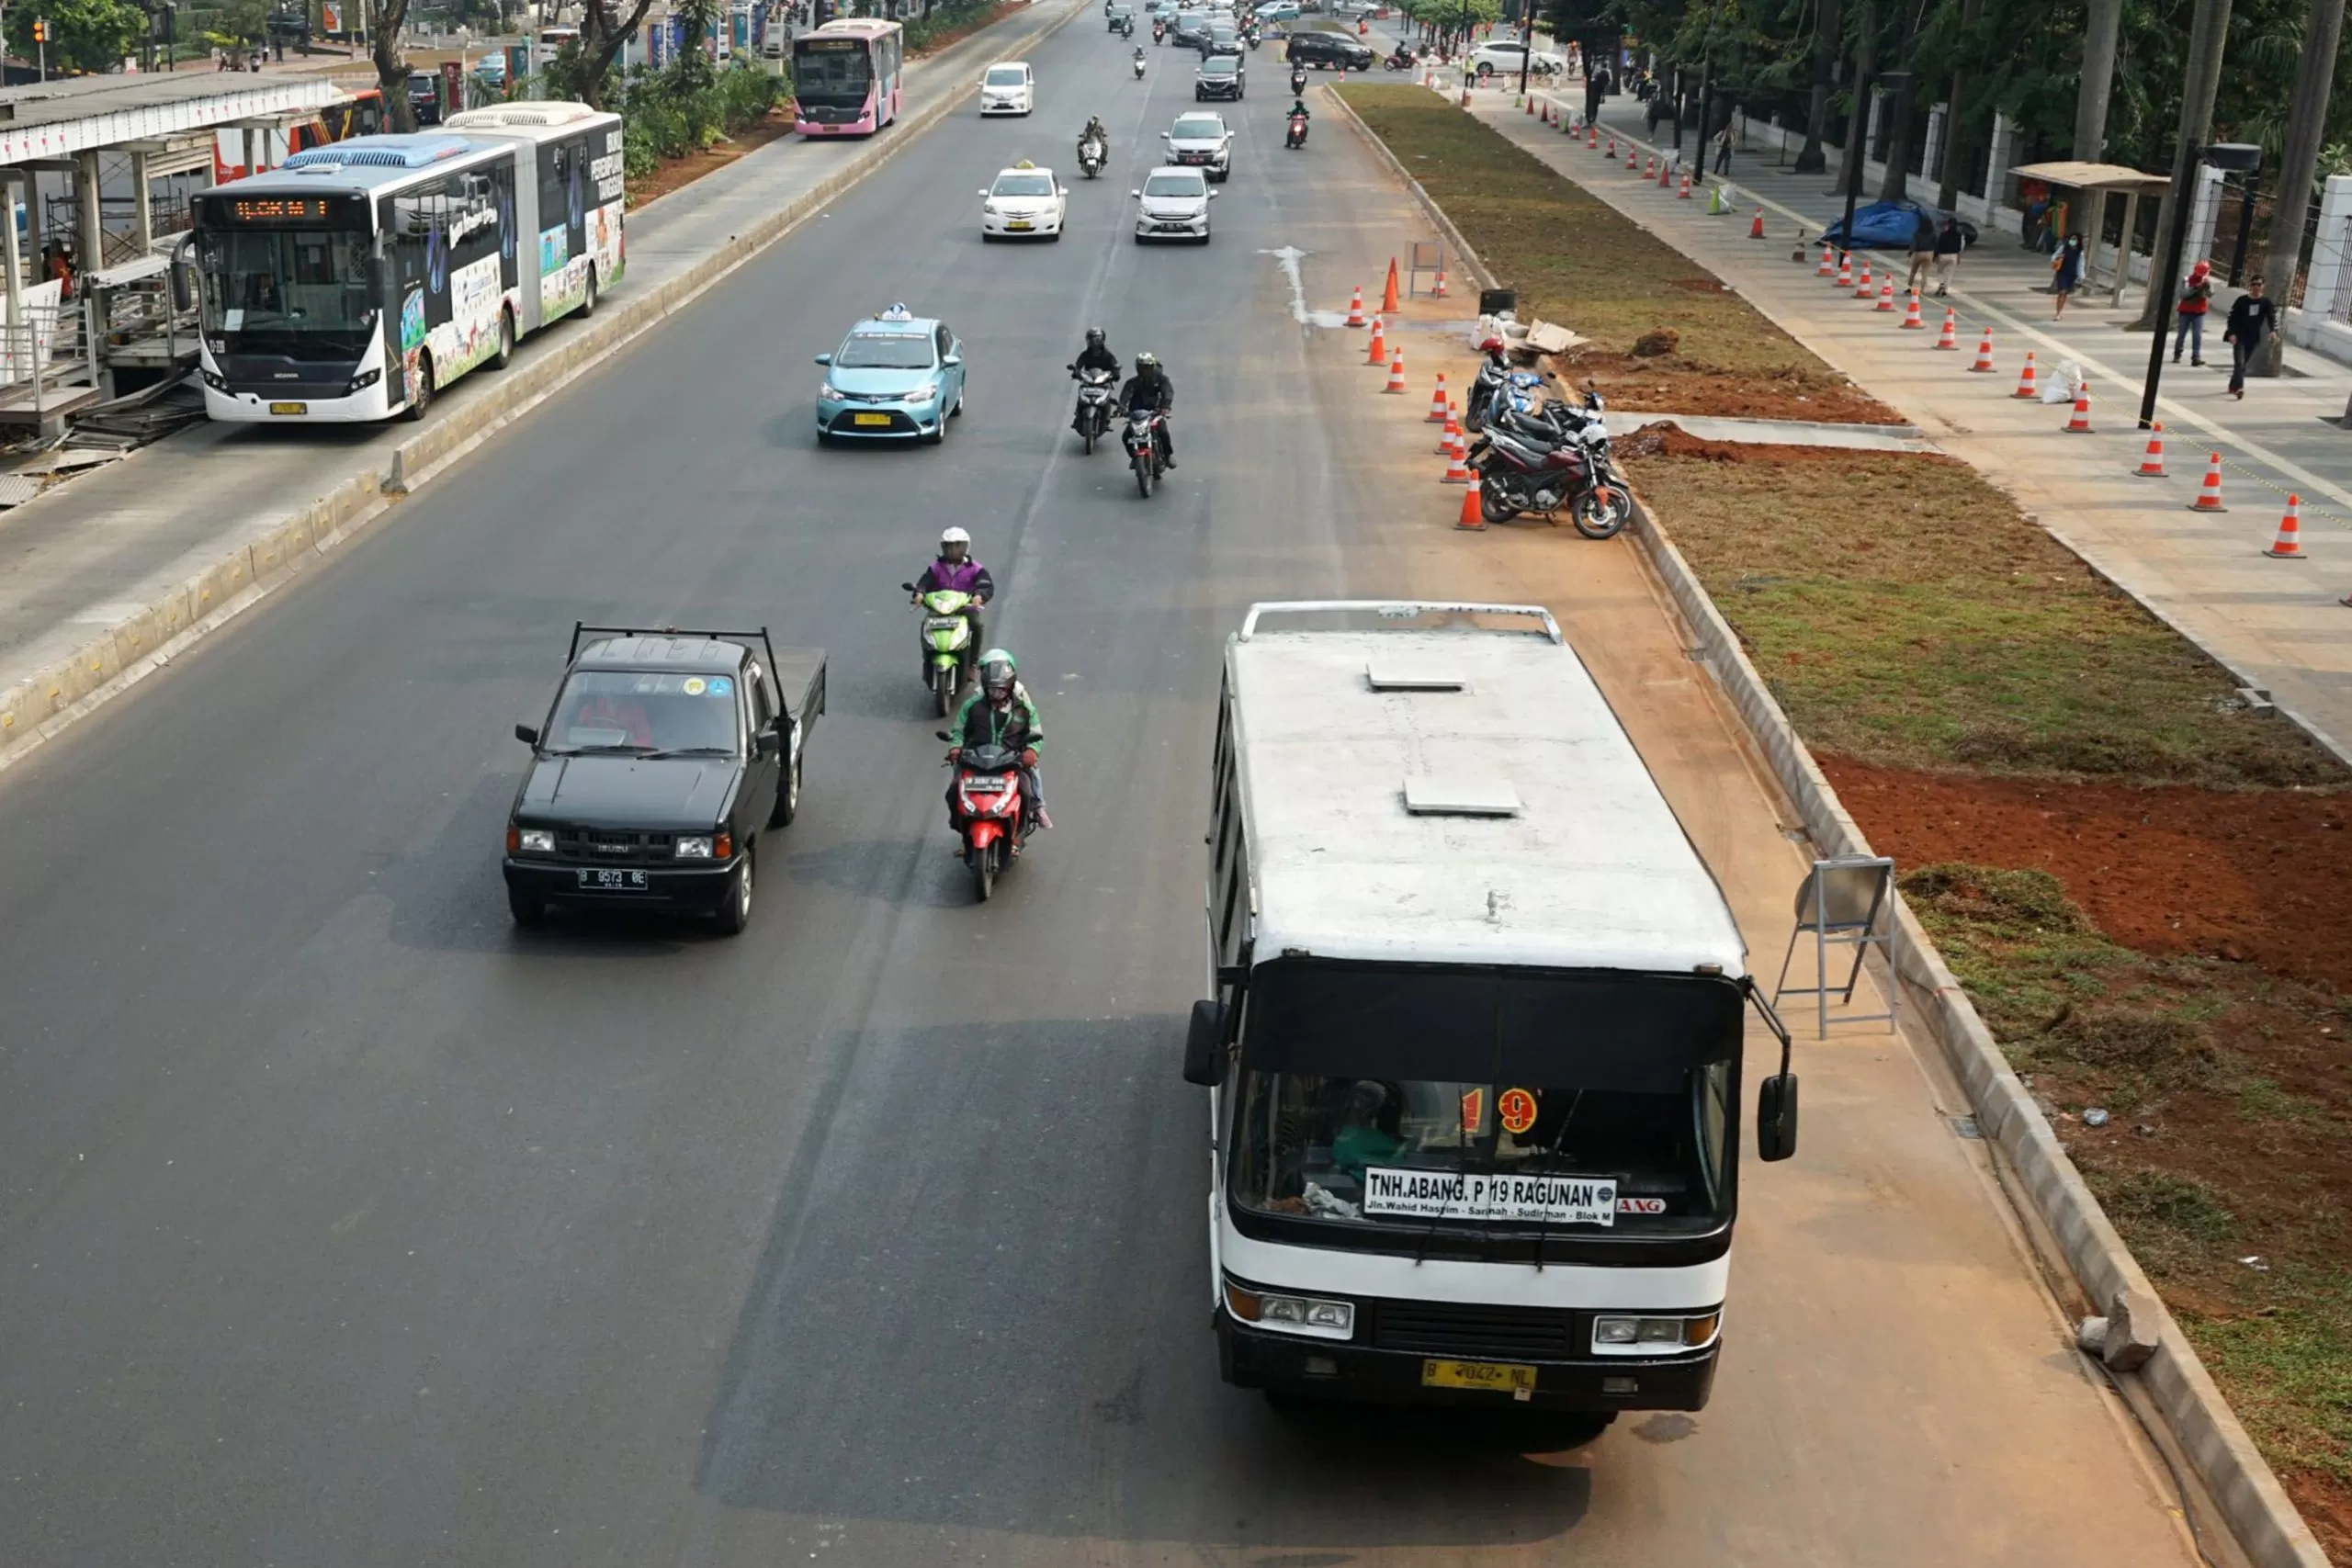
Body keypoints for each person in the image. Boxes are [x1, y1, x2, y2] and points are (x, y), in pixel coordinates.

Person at [948, 649, 1049, 841]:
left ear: (1010, 686)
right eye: (993, 689)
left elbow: (1036, 735)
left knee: (1027, 790)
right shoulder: (972, 705)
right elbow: (958, 730)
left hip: (1010, 760)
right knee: (954, 788)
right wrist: (955, 748)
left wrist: (1031, 751)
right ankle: (959, 823)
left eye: (1001, 689)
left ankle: (1032, 816)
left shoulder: (1024, 708)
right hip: (976, 759)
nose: (997, 694)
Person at [911, 526, 994, 663]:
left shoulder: (975, 568)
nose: (953, 550)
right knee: (925, 625)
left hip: (964, 608)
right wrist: (919, 593)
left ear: (965, 547)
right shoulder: (936, 567)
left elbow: (985, 584)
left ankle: (973, 662)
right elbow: (924, 582)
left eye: (957, 546)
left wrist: (979, 595)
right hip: (939, 607)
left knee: (977, 625)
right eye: (949, 546)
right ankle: (928, 657)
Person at [1118, 351, 1176, 468]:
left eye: (1147, 367)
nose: (1144, 370)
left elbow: (1168, 392)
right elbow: (1125, 394)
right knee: (1126, 437)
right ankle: (1134, 457)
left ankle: (1168, 456)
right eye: (1142, 367)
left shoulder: (1161, 379)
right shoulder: (1132, 382)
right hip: (1136, 415)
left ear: (1152, 367)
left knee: (1163, 432)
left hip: (1155, 413)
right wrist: (1121, 407)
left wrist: (1165, 406)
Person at [2224, 274, 2278, 400]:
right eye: (2253, 284)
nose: (2256, 287)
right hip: (2239, 336)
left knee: (2243, 364)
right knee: (2239, 363)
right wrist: (2231, 333)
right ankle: (2239, 388)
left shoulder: (2265, 302)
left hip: (2253, 338)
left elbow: (2271, 318)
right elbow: (2231, 318)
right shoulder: (2241, 301)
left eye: (2259, 284)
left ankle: (2233, 385)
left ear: (2263, 286)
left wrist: (2273, 331)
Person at [2174, 259, 2212, 367]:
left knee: (2197, 335)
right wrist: (2195, 288)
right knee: (2181, 334)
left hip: (2199, 312)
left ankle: (2196, 357)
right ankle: (2178, 353)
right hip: (2185, 311)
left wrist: (2208, 286)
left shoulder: (2206, 281)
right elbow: (2184, 294)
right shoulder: (2187, 280)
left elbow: (2210, 294)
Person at [2050, 232, 2085, 319]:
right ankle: (2057, 313)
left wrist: (2081, 276)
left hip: (2072, 274)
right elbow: (2054, 256)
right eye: (2071, 239)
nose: (2072, 241)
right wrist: (2057, 259)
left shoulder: (2080, 252)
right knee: (2062, 291)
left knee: (2065, 293)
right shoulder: (2064, 248)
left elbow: (2080, 264)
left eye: (2074, 239)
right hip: (2062, 272)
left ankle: (2060, 311)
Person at [1906, 210, 1937, 296]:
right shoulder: (1933, 233)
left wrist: (1910, 253)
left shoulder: (1917, 233)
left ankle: (1909, 288)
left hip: (1918, 253)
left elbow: (1913, 244)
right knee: (1925, 273)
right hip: (1929, 253)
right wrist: (1935, 255)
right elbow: (1935, 244)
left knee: (1913, 271)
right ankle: (1922, 290)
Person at [1932, 217, 1964, 297]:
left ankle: (1941, 283)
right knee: (1949, 274)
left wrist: (1935, 256)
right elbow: (1961, 247)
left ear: (1948, 225)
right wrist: (1959, 258)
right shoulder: (1960, 235)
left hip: (1943, 255)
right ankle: (1945, 290)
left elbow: (1938, 245)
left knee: (1940, 271)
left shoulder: (1943, 235)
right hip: (1954, 256)